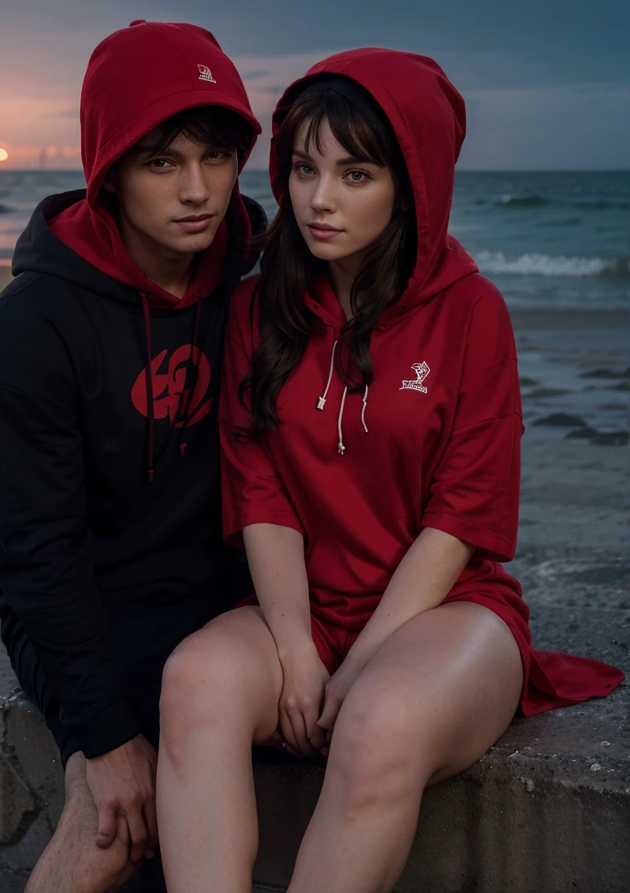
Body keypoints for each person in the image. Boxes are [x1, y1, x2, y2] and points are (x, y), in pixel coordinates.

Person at [156, 49, 625, 893]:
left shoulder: (473, 311)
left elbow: (462, 515)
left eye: (355, 172)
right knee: (193, 681)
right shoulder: (258, 308)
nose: (319, 199)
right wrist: (297, 645)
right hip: (303, 606)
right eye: (303, 169)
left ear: (411, 182)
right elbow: (258, 487)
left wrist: (367, 655)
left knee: (378, 721)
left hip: (447, 613)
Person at [0, 20, 264, 893]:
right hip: (85, 596)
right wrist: (99, 737)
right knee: (119, 814)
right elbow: (37, 556)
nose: (197, 190)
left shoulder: (257, 276)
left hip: (217, 592)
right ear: (108, 172)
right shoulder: (33, 326)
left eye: (216, 158)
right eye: (162, 162)